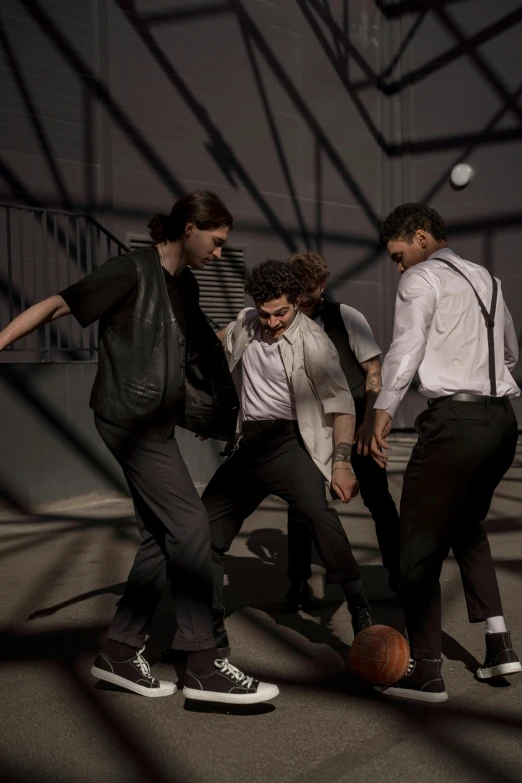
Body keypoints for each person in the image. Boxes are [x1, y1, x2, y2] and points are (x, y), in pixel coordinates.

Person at [0, 190, 279, 706]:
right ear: (190, 226)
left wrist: (225, 403)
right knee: (192, 524)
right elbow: (59, 303)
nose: (219, 254)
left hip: (157, 420)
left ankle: (121, 653)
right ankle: (202, 663)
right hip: (129, 419)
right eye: (216, 242)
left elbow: (202, 348)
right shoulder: (130, 270)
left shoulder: (185, 284)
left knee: (161, 533)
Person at [370, 202, 521, 703]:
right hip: (501, 422)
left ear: (420, 236)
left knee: (417, 542)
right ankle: (500, 645)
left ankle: (426, 670)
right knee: (467, 527)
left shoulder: (422, 279)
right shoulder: (488, 280)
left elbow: (406, 346)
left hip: (454, 423)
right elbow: (511, 354)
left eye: (398, 255)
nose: (398, 267)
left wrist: (384, 409)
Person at [206, 259, 374, 655]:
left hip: (289, 444)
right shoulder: (247, 322)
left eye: (280, 313)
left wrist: (342, 464)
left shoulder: (314, 343)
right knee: (203, 531)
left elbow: (342, 405)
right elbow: (215, 342)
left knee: (319, 515)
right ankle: (206, 623)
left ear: (296, 302)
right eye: (265, 314)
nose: (272, 322)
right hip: (248, 445)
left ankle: (358, 605)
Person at [282, 251, 400, 612]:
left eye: (310, 291)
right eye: (297, 291)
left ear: (323, 286)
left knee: (379, 500)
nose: (302, 299)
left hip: (355, 421)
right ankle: (298, 582)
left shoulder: (346, 316)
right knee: (301, 506)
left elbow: (373, 369)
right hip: (307, 425)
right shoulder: (284, 322)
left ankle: (398, 574)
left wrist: (370, 420)